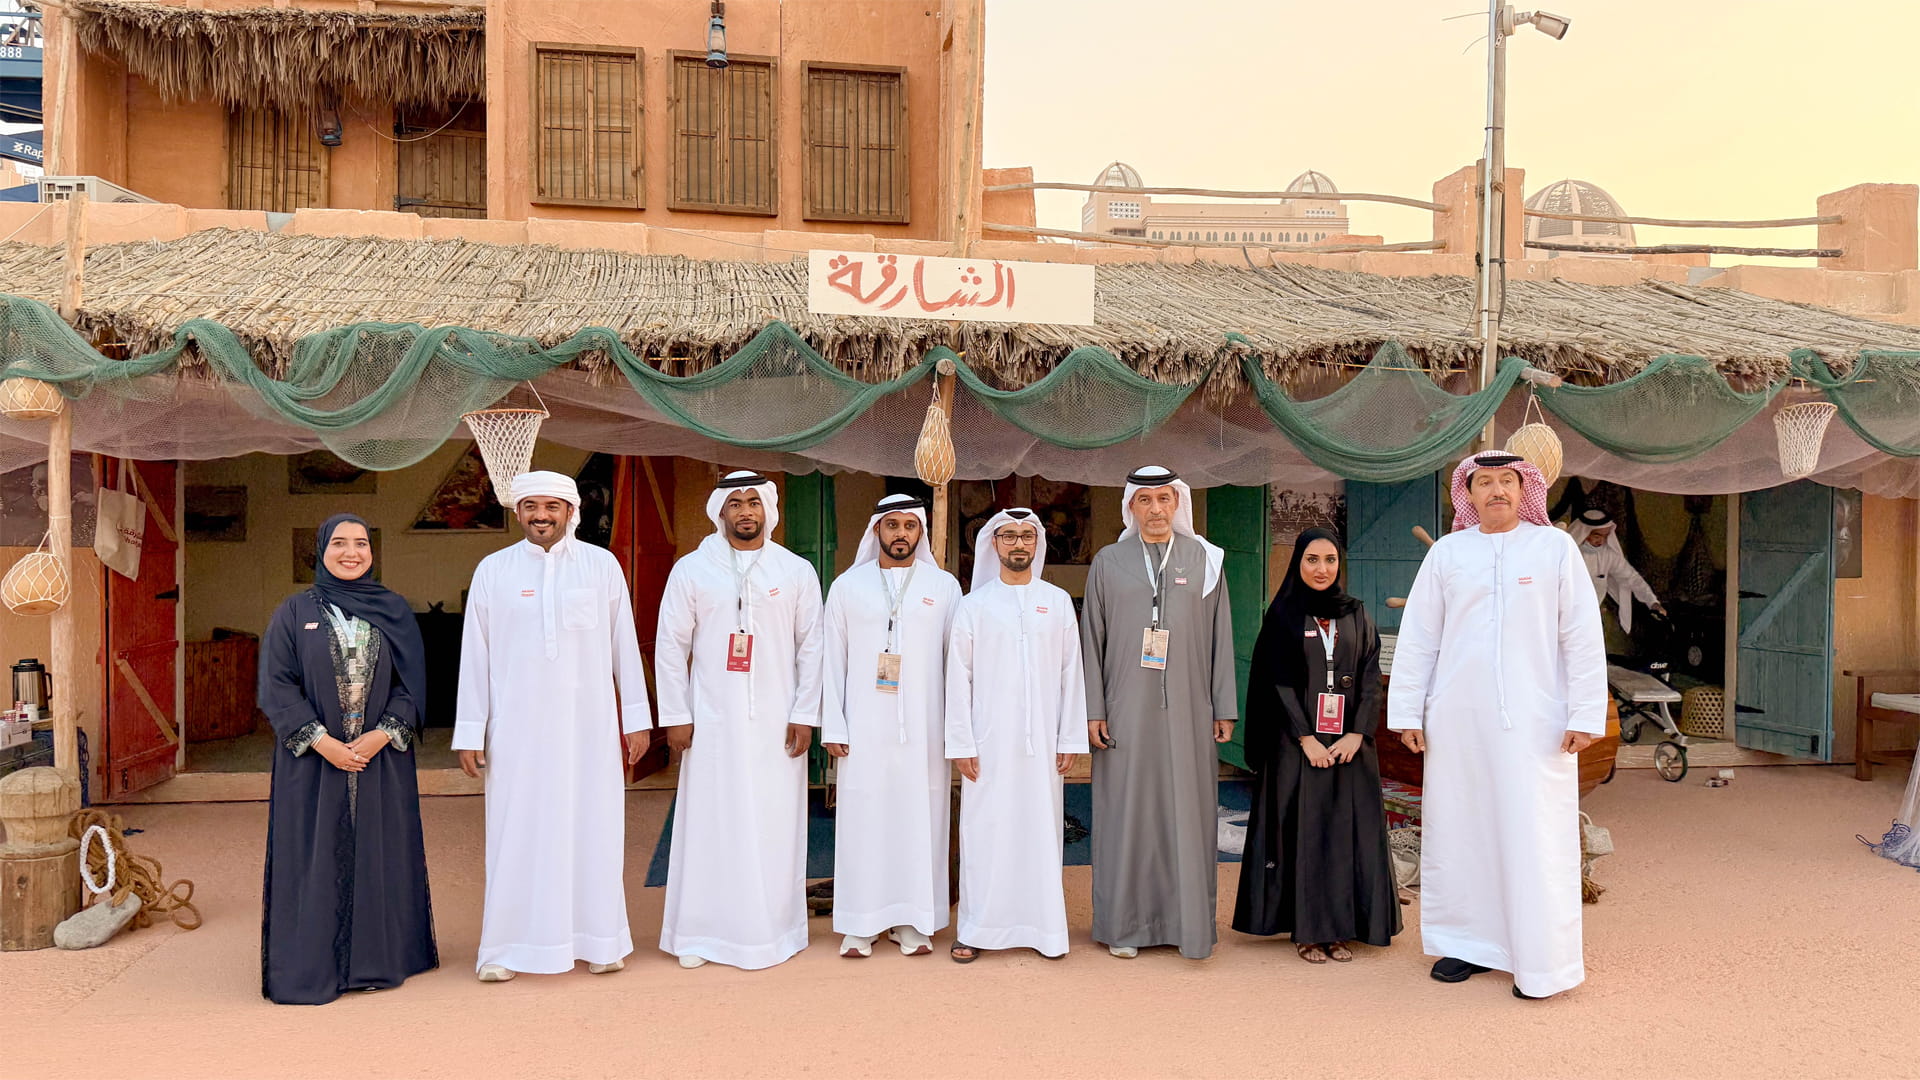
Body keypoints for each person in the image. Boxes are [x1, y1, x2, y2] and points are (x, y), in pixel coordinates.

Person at [1386, 451, 1608, 1000]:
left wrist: (1585, 712)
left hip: (1538, 725)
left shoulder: (1554, 548)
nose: (1496, 492)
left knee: (1534, 836)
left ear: (1523, 488)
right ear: (1469, 494)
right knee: (1461, 831)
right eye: (1483, 483)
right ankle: (1465, 945)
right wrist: (1407, 712)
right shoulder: (1447, 554)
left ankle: (1541, 962)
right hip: (1458, 724)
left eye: (1507, 481)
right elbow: (1419, 638)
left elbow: (1580, 634)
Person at [452, 471, 653, 983]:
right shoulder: (493, 570)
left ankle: (600, 941)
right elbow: (474, 656)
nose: (541, 515)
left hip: (588, 730)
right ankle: (505, 947)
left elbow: (623, 647)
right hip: (516, 731)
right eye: (531, 506)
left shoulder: (601, 566)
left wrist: (636, 721)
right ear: (517, 513)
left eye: (552, 506)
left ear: (570, 511)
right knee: (514, 833)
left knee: (595, 828)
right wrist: (470, 731)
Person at [259, 514, 437, 1005]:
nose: (351, 552)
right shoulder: (294, 612)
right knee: (312, 854)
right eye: (339, 543)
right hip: (314, 761)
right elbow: (276, 684)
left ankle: (376, 961)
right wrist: (323, 743)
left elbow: (411, 684)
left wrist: (384, 734)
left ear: (372, 552)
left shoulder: (393, 610)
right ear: (321, 550)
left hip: (380, 758)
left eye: (361, 543)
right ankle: (316, 963)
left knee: (381, 848)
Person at [656, 471, 825, 970]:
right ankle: (700, 934)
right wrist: (676, 715)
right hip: (711, 718)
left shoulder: (794, 571)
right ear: (720, 511)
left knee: (774, 823)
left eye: (754, 502)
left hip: (778, 720)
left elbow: (812, 648)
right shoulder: (692, 569)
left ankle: (775, 930)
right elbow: (671, 646)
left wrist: (805, 714)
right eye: (735, 503)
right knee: (711, 821)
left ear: (768, 510)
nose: (745, 511)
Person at [1080, 465, 1236, 960]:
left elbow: (1221, 638)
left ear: (1178, 504)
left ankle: (1186, 925)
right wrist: (1093, 708)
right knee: (1128, 813)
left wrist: (1223, 704)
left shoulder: (1205, 560)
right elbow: (1092, 641)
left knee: (1186, 815)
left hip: (1190, 710)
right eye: (1144, 501)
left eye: (1164, 499)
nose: (1155, 510)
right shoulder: (1107, 562)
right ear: (1131, 507)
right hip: (1125, 710)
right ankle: (1125, 926)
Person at [1232, 527, 1400, 962]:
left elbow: (1368, 678)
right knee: (1303, 834)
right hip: (1297, 747)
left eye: (1329, 560)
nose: (1321, 569)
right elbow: (1278, 684)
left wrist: (1358, 733)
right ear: (1298, 564)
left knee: (1343, 834)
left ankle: (1340, 929)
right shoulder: (1283, 615)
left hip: (1348, 746)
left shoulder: (1356, 614)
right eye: (1312, 560)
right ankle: (1307, 932)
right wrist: (1305, 738)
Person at [820, 493, 962, 959]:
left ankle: (913, 921)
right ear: (876, 530)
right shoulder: (847, 586)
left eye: (910, 526)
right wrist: (834, 726)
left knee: (919, 821)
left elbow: (956, 665)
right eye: (892, 525)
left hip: (925, 730)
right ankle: (861, 922)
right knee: (864, 819)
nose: (901, 533)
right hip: (863, 728)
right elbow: (831, 661)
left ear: (920, 532)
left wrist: (955, 729)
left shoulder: (943, 588)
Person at [945, 509, 1089, 963]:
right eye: (1008, 536)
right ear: (994, 545)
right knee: (984, 832)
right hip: (987, 745)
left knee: (1040, 833)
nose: (1018, 544)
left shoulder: (1057, 601)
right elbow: (957, 679)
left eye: (1027, 536)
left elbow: (1072, 674)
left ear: (1038, 544)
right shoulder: (974, 605)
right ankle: (976, 928)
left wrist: (1068, 738)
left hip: (1043, 745)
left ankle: (1044, 929)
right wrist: (962, 743)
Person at [1567, 507, 1665, 656]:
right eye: (1597, 535)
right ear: (1584, 532)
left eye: (1605, 536)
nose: (1601, 540)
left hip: (1591, 618)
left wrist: (1652, 602)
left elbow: (1632, 578)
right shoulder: (1567, 554)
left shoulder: (1608, 555)